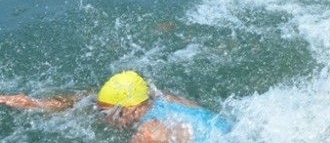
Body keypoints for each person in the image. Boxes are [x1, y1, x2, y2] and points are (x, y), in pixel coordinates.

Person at [0, 70, 231, 142]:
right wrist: (33, 104)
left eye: (106, 113)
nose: (102, 117)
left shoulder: (149, 130)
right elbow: (79, 100)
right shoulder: (162, 98)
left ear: (129, 109)